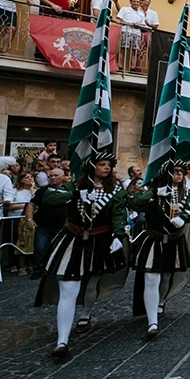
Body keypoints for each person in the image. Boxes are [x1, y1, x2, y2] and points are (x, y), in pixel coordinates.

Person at [35, 152, 129, 358]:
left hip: (99, 241)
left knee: (92, 283)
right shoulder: (74, 186)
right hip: (73, 240)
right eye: (101, 164)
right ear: (91, 167)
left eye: (108, 165)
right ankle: (62, 340)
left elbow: (119, 214)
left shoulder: (116, 191)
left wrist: (118, 234)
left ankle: (86, 314)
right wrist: (77, 195)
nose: (106, 168)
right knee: (68, 288)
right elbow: (49, 198)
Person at [128, 162, 190, 340]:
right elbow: (134, 203)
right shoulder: (154, 192)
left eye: (181, 171)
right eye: (175, 171)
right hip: (154, 238)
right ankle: (152, 322)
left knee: (167, 276)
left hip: (174, 240)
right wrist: (154, 193)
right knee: (151, 278)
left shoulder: (188, 193)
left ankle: (161, 301)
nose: (179, 174)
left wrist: (183, 218)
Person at [26, 165, 69, 280]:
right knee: (40, 248)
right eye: (51, 176)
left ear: (63, 177)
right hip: (43, 225)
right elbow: (31, 204)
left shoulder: (69, 190)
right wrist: (29, 219)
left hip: (62, 225)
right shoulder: (42, 191)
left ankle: (56, 270)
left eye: (56, 175)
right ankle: (37, 270)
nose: (53, 178)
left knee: (59, 249)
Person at [9, 172, 36, 275]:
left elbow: (36, 203)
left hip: (30, 219)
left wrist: (32, 190)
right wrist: (26, 206)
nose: (30, 179)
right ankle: (15, 264)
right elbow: (10, 206)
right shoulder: (15, 191)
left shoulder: (35, 191)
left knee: (30, 242)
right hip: (15, 218)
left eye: (31, 177)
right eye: (27, 177)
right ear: (21, 180)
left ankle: (30, 264)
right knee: (16, 240)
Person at [116, 0, 147, 72]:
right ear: (130, 2)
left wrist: (139, 25)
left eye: (137, 2)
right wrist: (129, 23)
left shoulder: (141, 13)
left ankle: (133, 68)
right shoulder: (124, 9)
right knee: (123, 49)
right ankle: (119, 66)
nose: (136, 3)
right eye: (134, 1)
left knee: (134, 51)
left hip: (137, 33)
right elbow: (118, 20)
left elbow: (143, 24)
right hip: (126, 31)